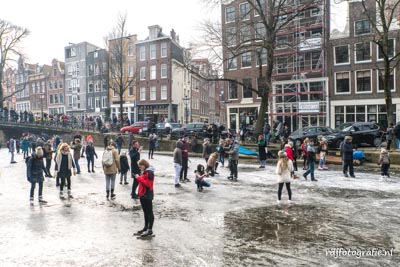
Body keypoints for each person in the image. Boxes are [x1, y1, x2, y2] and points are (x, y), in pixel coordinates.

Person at [134, 159, 155, 237]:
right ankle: (146, 227)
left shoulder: (150, 173)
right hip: (143, 195)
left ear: (144, 165)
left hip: (147, 195)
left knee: (149, 212)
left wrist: (139, 178)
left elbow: (148, 184)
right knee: (145, 212)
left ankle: (150, 229)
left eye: (140, 167)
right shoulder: (145, 172)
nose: (139, 168)